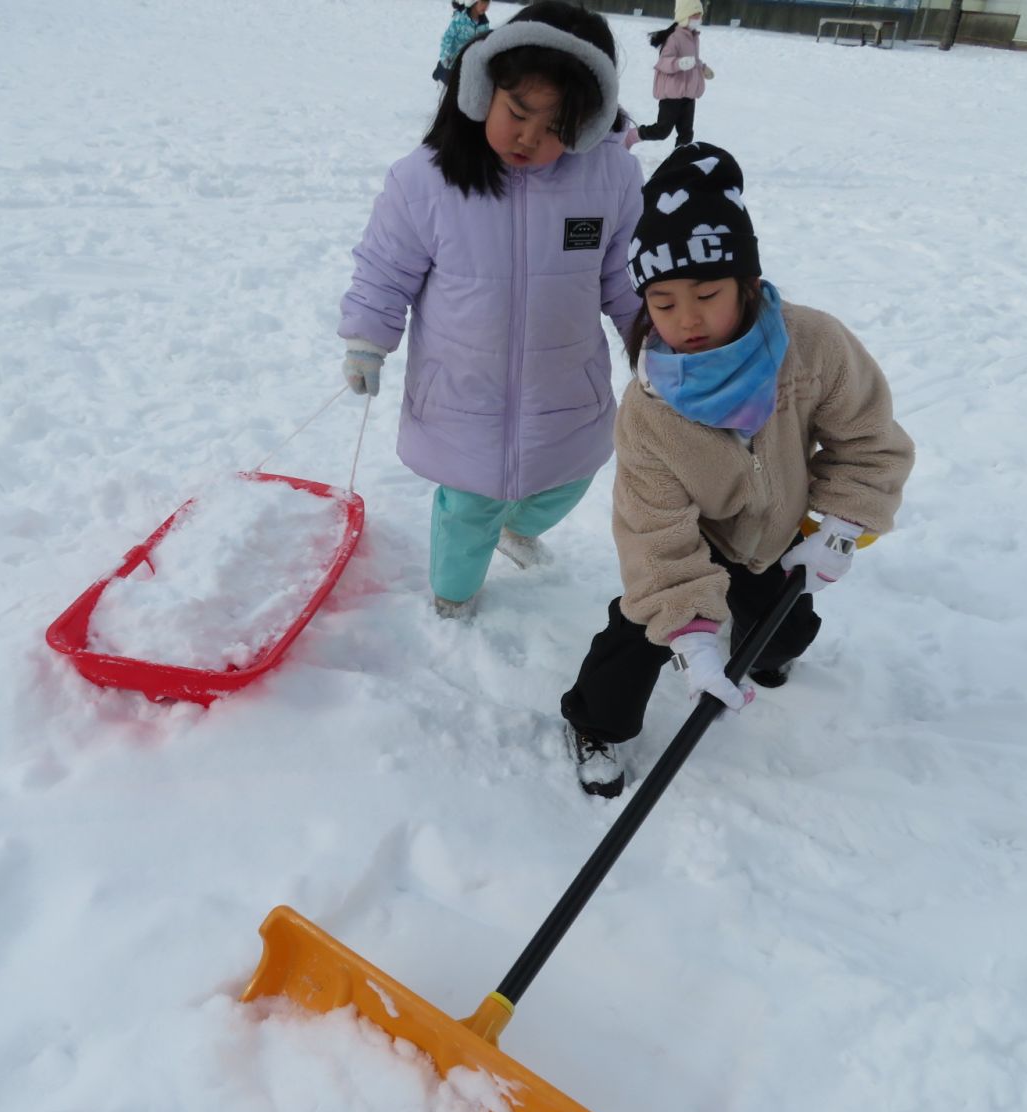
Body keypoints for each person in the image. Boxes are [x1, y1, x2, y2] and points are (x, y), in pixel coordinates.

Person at [559, 143, 914, 796]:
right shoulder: (650, 409)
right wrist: (692, 637)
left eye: (706, 293)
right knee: (643, 629)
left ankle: (761, 645)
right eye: (663, 302)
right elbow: (654, 534)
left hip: (777, 533)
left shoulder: (813, 347)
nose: (687, 319)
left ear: (747, 284)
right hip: (694, 536)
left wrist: (840, 528)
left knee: (783, 638)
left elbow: (869, 439)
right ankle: (593, 724)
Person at [339, 2, 644, 618]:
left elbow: (628, 275)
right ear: (483, 91)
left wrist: (654, 344)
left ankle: (519, 525)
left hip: (566, 390)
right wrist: (368, 339)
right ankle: (453, 596)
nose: (530, 137)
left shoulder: (611, 178)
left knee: (570, 478)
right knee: (468, 507)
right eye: (519, 113)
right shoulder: (425, 180)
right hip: (463, 395)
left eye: (556, 126)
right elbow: (385, 267)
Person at [635, 0, 713, 147]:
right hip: (672, 93)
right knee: (662, 131)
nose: (699, 19)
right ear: (685, 16)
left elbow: (693, 60)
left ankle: (680, 157)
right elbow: (663, 62)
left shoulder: (694, 37)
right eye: (695, 15)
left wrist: (703, 68)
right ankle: (634, 135)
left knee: (686, 134)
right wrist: (679, 63)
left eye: (700, 15)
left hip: (689, 94)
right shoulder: (674, 37)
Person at [434, 0, 491, 84]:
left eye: (488, 3)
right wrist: (445, 57)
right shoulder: (461, 19)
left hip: (470, 64)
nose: (485, 6)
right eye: (483, 2)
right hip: (453, 63)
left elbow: (483, 43)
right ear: (474, 2)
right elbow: (447, 37)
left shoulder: (484, 23)